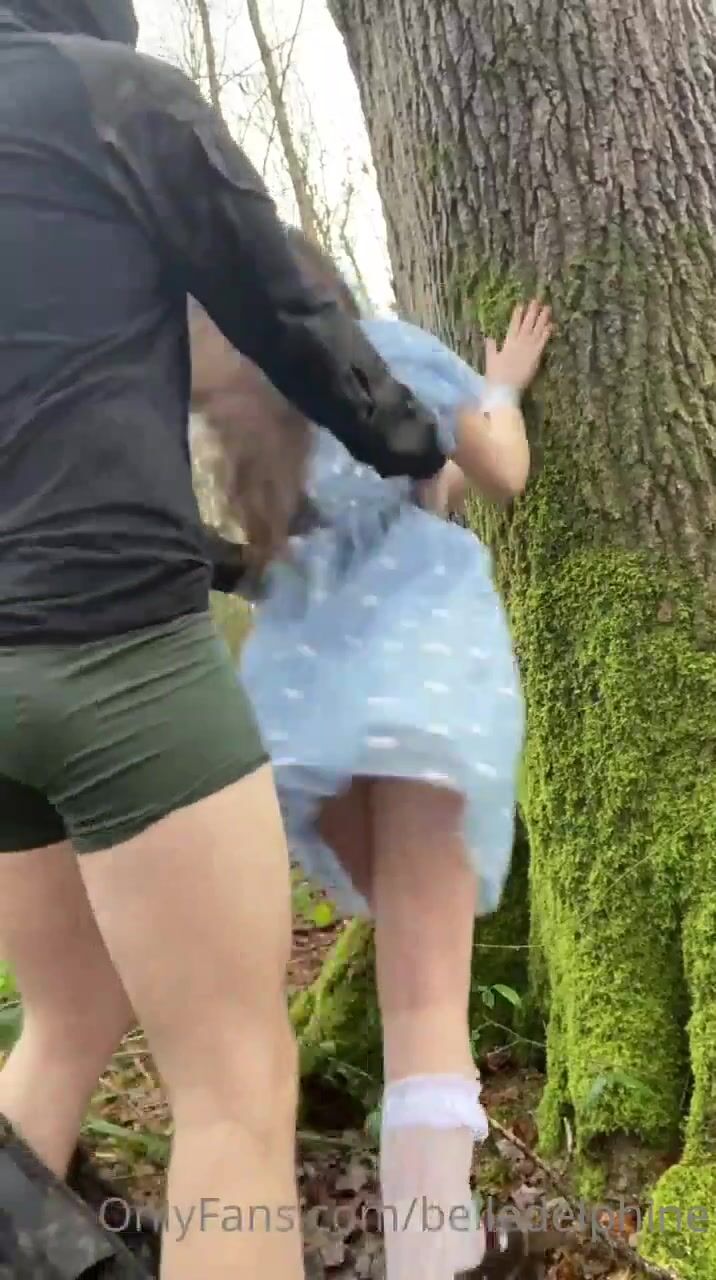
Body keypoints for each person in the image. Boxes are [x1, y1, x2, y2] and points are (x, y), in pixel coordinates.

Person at [0, 3, 450, 1278]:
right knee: (235, 1083)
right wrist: (407, 444)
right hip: (113, 657)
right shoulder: (109, 93)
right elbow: (278, 300)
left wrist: (235, 560)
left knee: (66, 1015)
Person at [191, 237, 553, 1280]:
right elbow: (505, 471)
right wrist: (499, 388)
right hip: (421, 684)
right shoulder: (388, 353)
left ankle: (433, 1238)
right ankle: (431, 1254)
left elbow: (391, 507)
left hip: (307, 707)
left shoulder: (250, 413)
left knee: (401, 986)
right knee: (427, 1005)